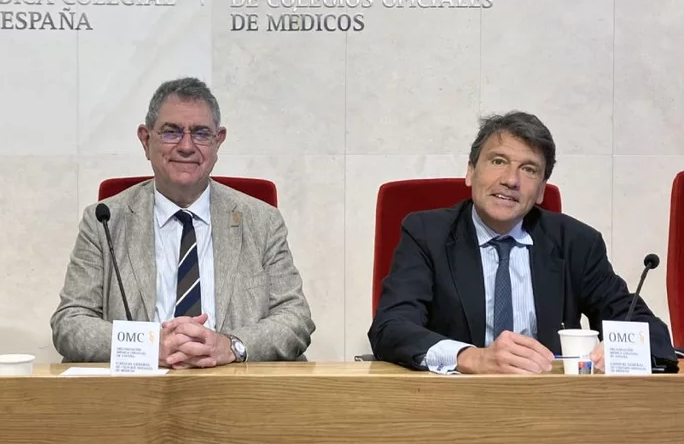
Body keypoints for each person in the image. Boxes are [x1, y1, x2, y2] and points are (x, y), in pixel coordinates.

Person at [369, 111, 677, 374]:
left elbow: (649, 332)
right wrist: (471, 357)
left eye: (528, 169)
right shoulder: (427, 233)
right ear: (471, 171)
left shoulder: (576, 242)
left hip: (549, 407)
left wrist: (620, 351)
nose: (511, 179)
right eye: (498, 161)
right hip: (452, 405)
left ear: (542, 189)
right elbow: (391, 327)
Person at [51, 77, 314, 367]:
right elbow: (70, 323)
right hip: (137, 395)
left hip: (236, 392)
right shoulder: (104, 220)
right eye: (171, 132)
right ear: (145, 139)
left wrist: (231, 346)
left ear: (218, 141)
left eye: (201, 133)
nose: (187, 146)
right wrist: (150, 347)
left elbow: (295, 318)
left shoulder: (262, 221)